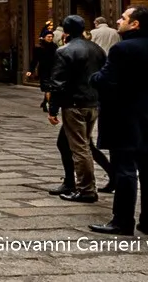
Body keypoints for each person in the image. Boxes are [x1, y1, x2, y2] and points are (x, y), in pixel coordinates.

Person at [88, 7, 148, 235]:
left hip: (123, 115)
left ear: (135, 24)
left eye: (123, 18)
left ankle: (122, 221)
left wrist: (94, 77)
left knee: (125, 169)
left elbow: (105, 79)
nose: (118, 21)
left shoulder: (121, 49)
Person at [46, 15, 105, 203]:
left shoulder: (65, 51)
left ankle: (87, 189)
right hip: (92, 103)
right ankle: (70, 182)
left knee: (80, 148)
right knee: (64, 143)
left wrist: (53, 109)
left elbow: (58, 82)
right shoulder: (97, 49)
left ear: (66, 32)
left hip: (74, 104)